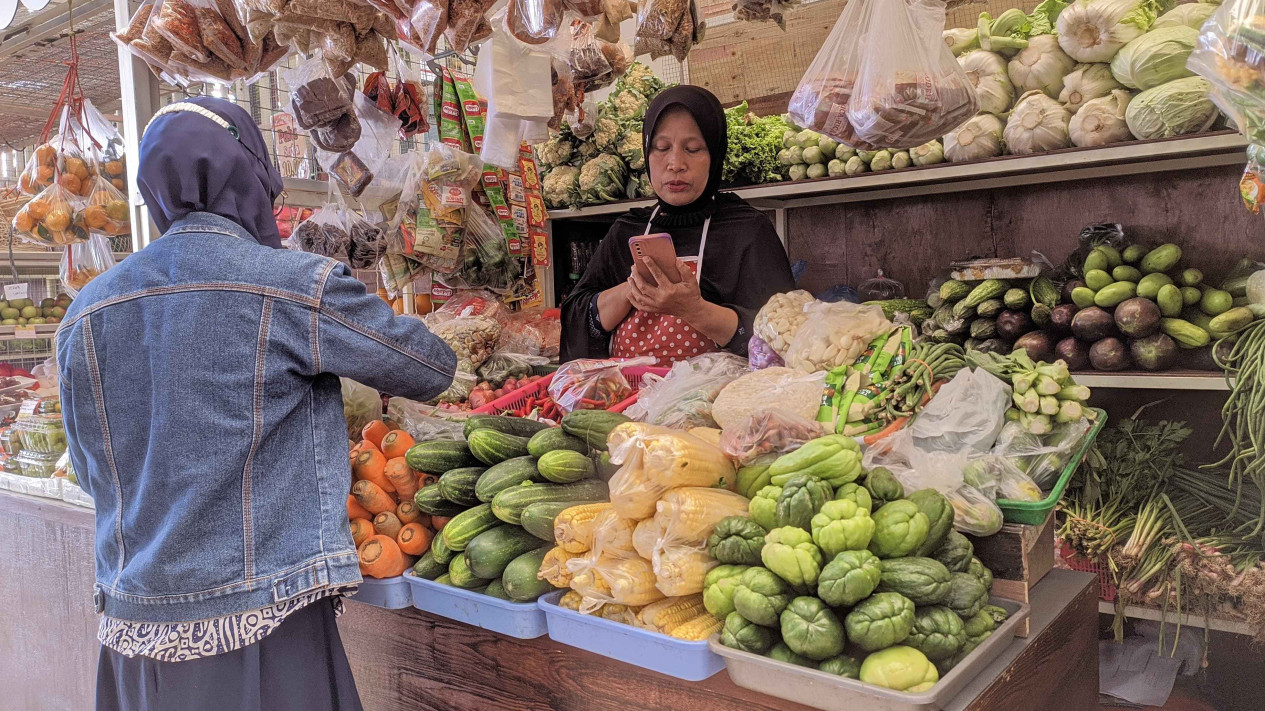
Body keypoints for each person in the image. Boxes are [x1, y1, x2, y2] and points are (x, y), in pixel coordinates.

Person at [56, 97, 457, 711]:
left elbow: (91, 474)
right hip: (262, 619)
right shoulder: (291, 284)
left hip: (135, 624)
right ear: (250, 178)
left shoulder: (84, 314)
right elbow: (430, 367)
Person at [560, 85, 795, 364]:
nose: (675, 163)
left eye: (693, 149)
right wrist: (633, 290)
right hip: (630, 398)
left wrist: (694, 310)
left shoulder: (747, 231)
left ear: (715, 156)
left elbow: (783, 335)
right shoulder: (627, 229)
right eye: (661, 148)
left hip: (715, 401)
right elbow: (577, 317)